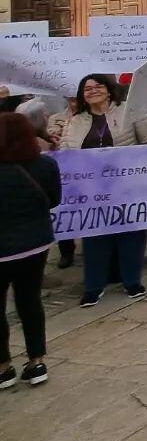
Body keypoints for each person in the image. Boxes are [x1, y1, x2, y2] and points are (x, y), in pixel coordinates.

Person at [59, 73, 147, 305]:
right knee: (94, 237)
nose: (92, 91)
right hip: (92, 191)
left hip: (129, 187)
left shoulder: (130, 111)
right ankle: (93, 287)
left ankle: (132, 281)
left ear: (108, 89)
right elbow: (66, 153)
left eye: (97, 86)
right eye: (87, 89)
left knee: (131, 235)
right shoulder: (75, 121)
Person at [0, 112, 61, 389]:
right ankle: (36, 363)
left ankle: (3, 367)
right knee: (30, 302)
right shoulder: (45, 165)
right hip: (35, 245)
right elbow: (54, 200)